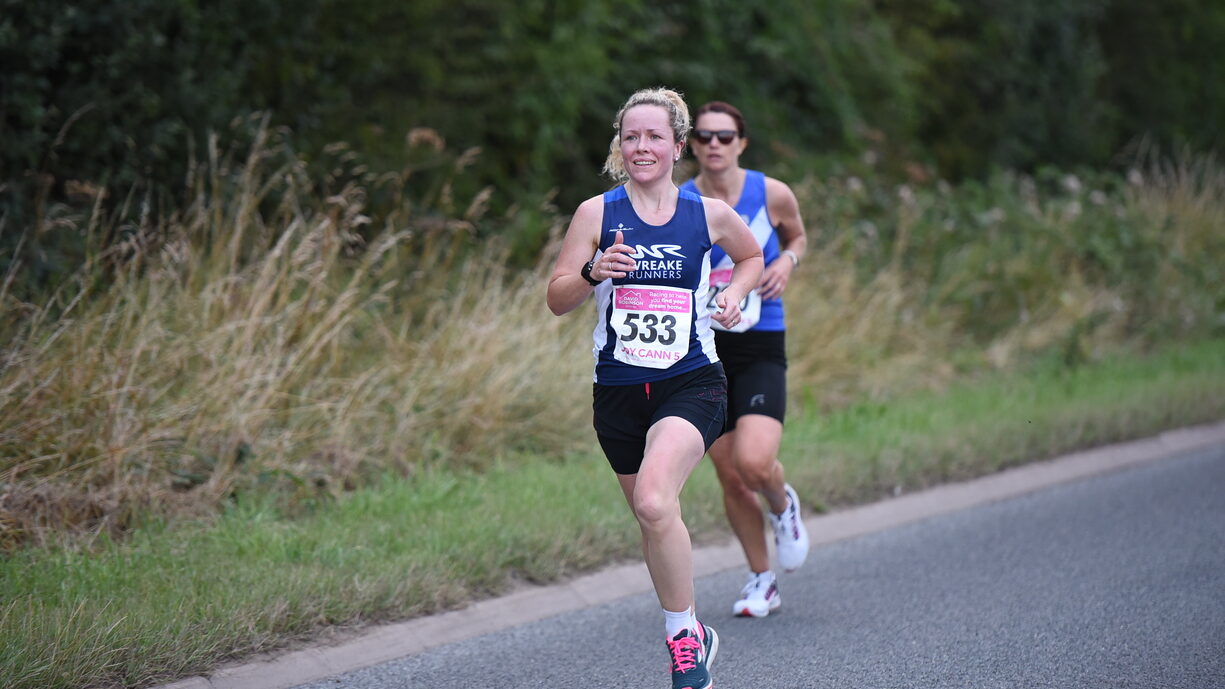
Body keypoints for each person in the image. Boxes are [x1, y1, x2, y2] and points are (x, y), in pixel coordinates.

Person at [547, 88, 763, 689]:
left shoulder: (708, 214)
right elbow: (557, 298)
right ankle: (694, 629)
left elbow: (751, 257)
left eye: (654, 137)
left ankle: (681, 641)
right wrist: (591, 272)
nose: (641, 147)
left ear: (678, 146)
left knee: (652, 501)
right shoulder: (596, 214)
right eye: (631, 137)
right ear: (620, 146)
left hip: (691, 381)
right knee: (654, 518)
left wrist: (734, 292)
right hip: (617, 390)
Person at [680, 100, 811, 619]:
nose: (714, 144)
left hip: (759, 341)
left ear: (742, 143)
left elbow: (797, 234)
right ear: (691, 145)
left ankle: (783, 504)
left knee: (754, 463)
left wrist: (788, 260)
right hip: (703, 348)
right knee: (731, 476)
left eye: (725, 136)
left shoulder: (771, 193)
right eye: (704, 136)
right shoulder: (680, 202)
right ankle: (762, 580)